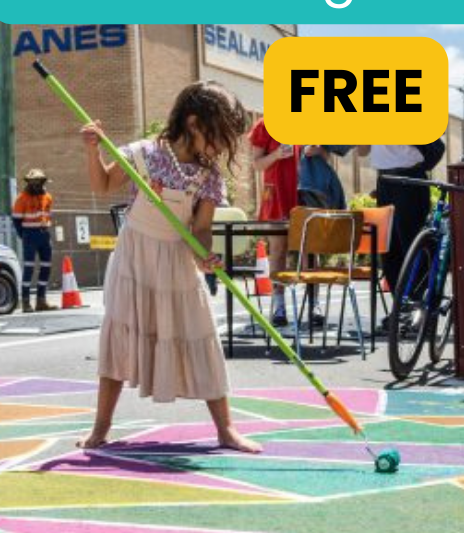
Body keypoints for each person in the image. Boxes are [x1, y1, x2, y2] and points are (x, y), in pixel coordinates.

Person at [76, 80, 262, 454]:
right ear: (194, 123)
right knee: (121, 333)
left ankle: (226, 429)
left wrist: (203, 255)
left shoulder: (208, 176)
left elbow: (202, 229)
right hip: (136, 256)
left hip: (177, 259)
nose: (225, 146)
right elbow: (103, 186)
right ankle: (100, 427)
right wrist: (93, 150)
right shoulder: (144, 153)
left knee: (201, 335)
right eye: (220, 134)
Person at [356, 138, 445, 295]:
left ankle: (416, 303)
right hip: (384, 180)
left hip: (409, 177)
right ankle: (399, 306)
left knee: (411, 243)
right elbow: (362, 151)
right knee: (389, 248)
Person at [248, 118, 301, 330]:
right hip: (277, 194)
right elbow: (256, 164)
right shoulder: (264, 125)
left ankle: (314, 305)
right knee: (278, 250)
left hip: (302, 192)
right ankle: (279, 305)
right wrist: (277, 155)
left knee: (309, 250)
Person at [12, 168, 57, 313]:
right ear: (29, 182)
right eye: (33, 181)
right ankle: (25, 302)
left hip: (44, 235)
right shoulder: (21, 198)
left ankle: (41, 301)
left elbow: (47, 215)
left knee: (46, 267)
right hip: (30, 235)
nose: (36, 184)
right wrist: (24, 235)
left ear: (43, 181)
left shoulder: (48, 197)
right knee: (29, 268)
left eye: (39, 181)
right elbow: (16, 221)